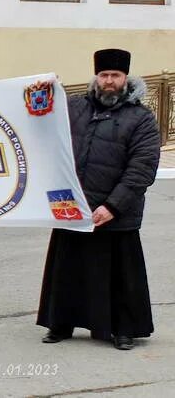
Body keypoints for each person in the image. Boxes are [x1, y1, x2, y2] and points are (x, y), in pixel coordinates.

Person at [38, 48, 161, 351]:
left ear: (125, 78)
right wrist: (43, 89)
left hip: (116, 212)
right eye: (104, 75)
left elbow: (142, 168)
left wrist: (113, 206)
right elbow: (42, 120)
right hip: (74, 207)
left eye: (115, 75)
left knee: (119, 275)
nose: (109, 81)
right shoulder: (75, 108)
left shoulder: (141, 119)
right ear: (96, 76)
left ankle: (123, 329)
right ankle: (61, 323)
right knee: (68, 269)